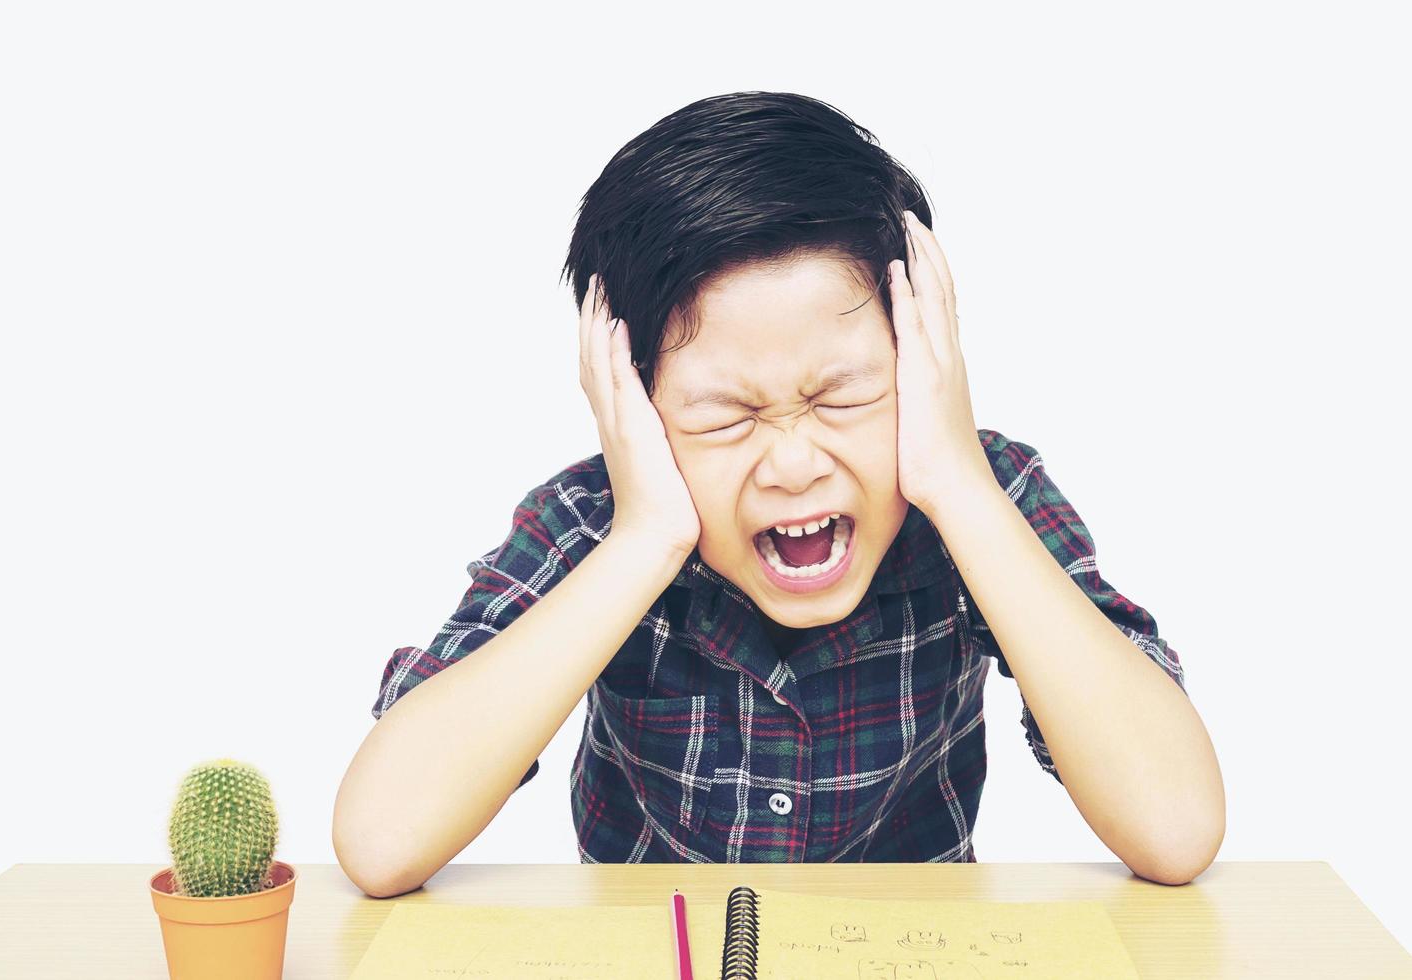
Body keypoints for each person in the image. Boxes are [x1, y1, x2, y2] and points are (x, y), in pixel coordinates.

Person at [332, 91, 1225, 898]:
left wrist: (957, 482)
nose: (793, 463)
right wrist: (643, 540)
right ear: (630, 411)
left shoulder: (981, 498)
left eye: (842, 397)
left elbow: (1175, 830)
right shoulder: (593, 521)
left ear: (925, 365)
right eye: (725, 416)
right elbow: (380, 842)